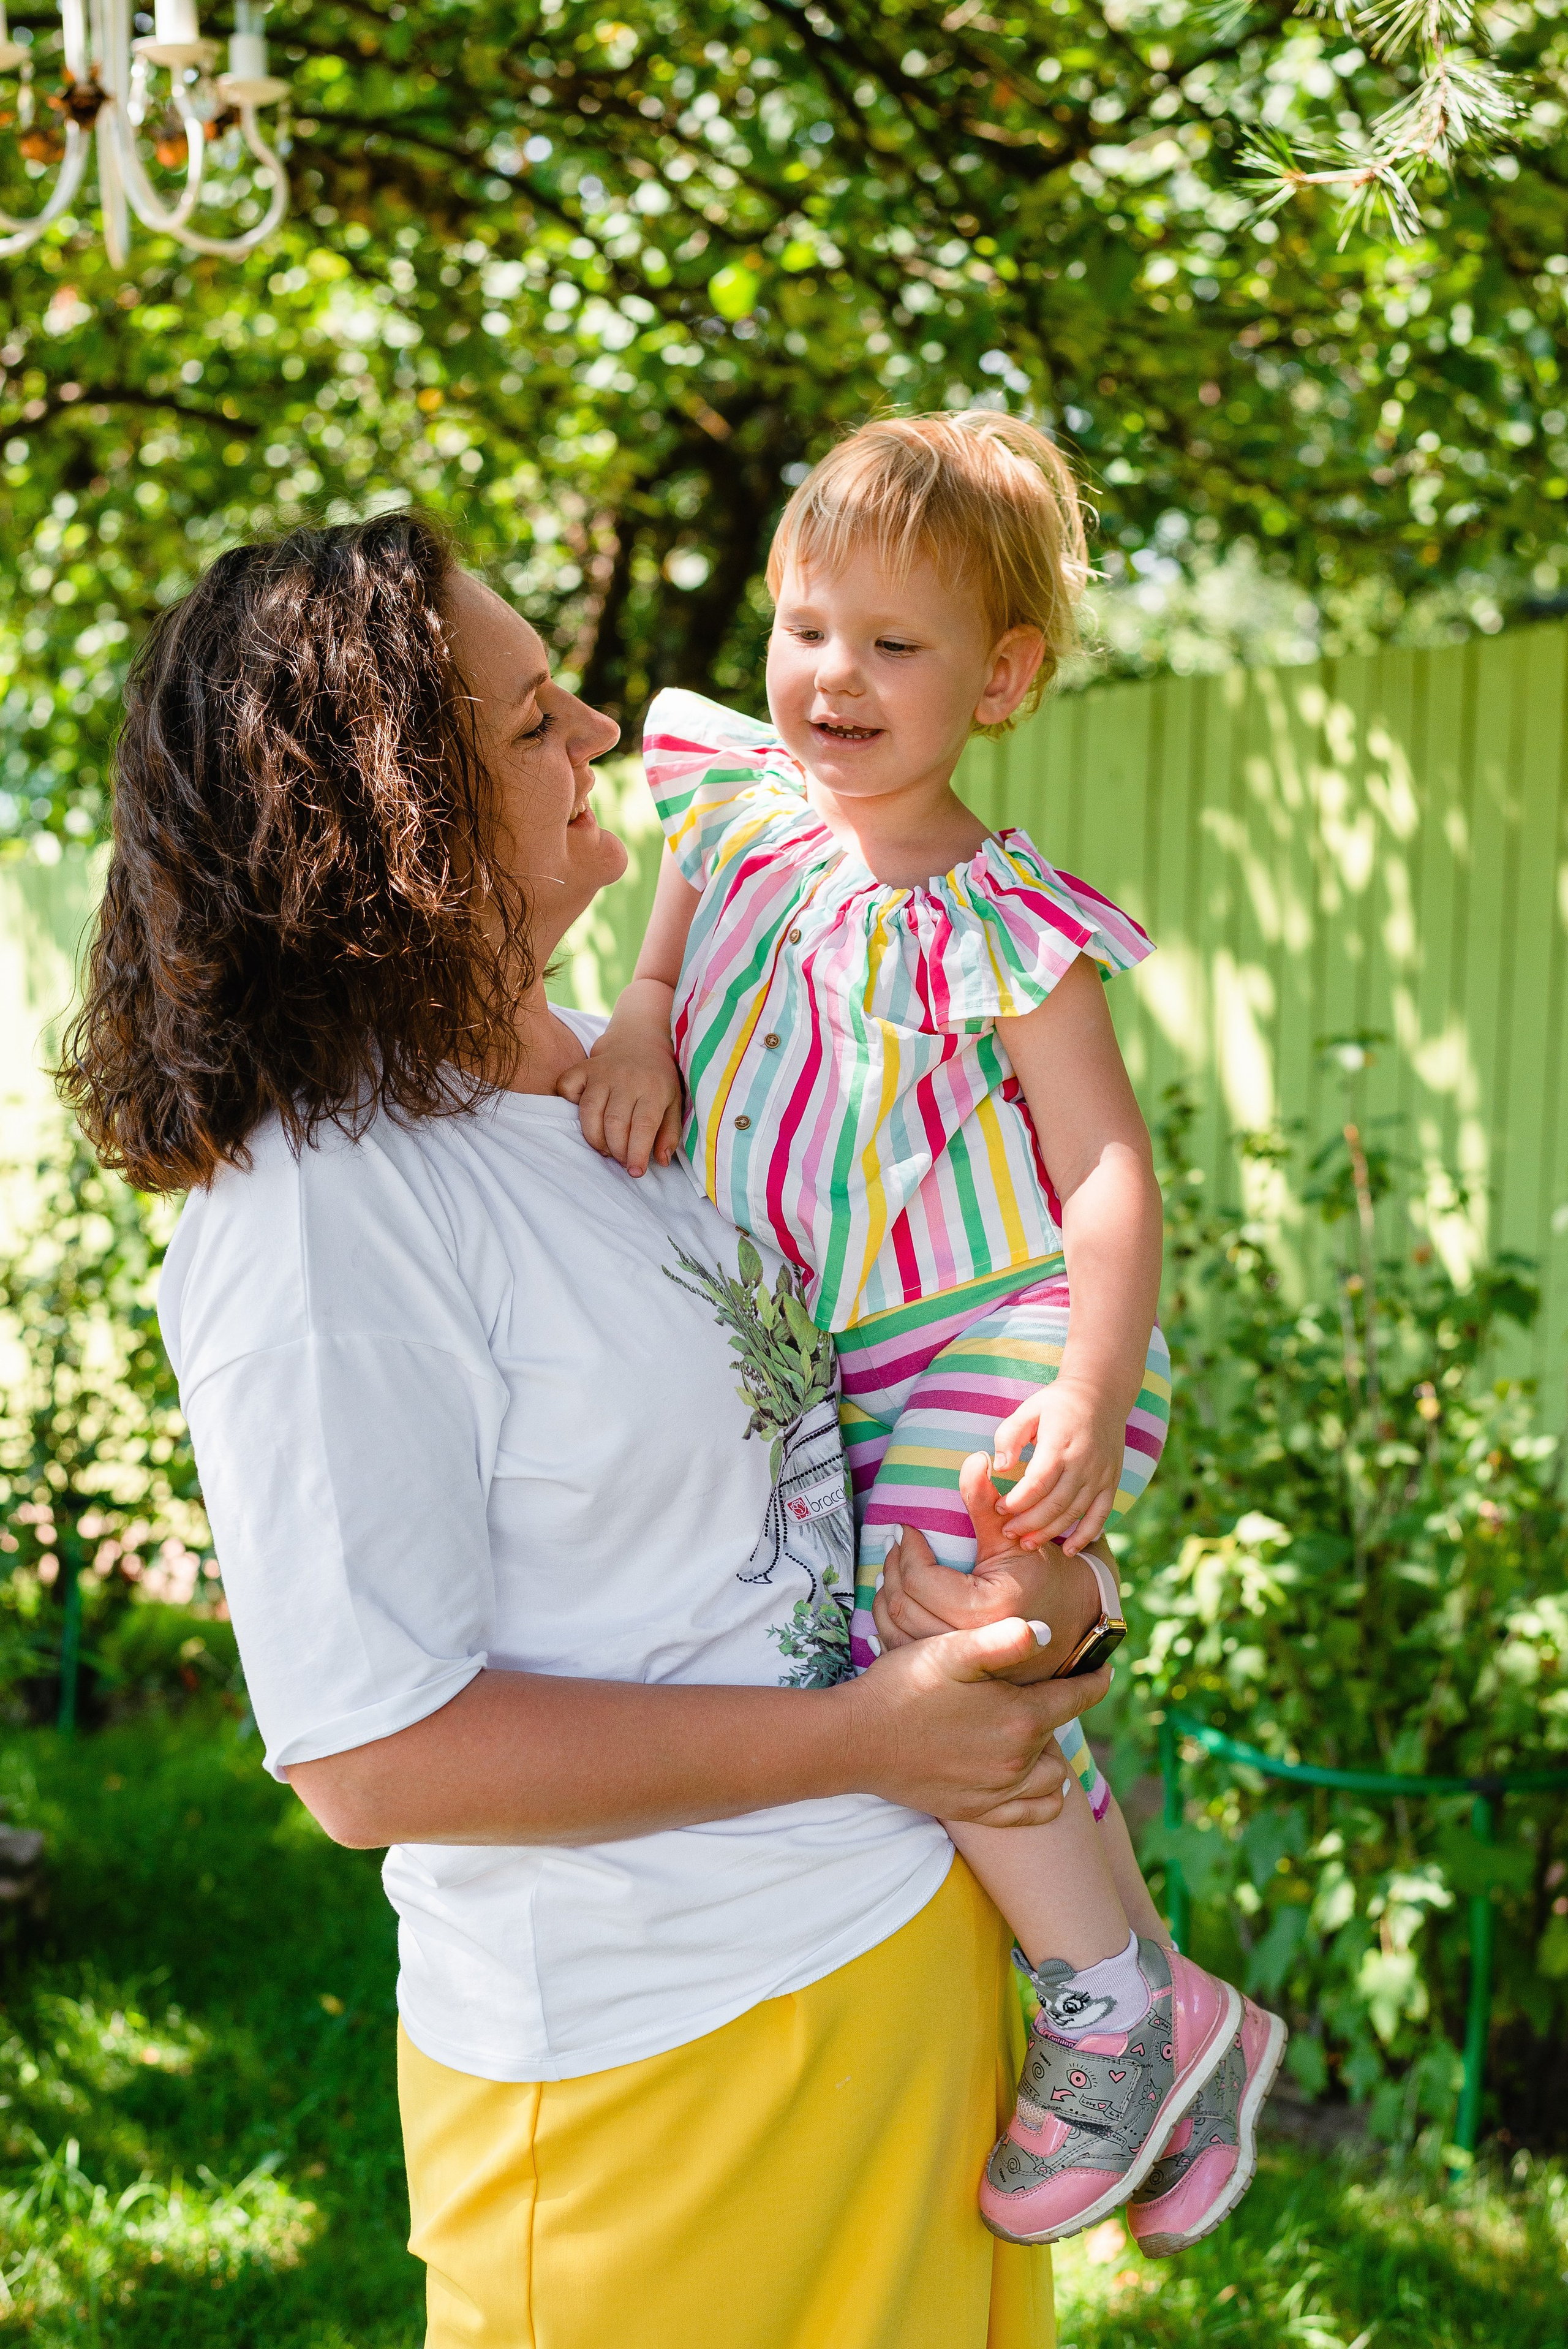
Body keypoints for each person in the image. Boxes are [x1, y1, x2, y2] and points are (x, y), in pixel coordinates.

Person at [60, 511, 1126, 2349]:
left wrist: (1031, 1620)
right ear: (391, 806)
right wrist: (872, 1733)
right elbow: (370, 1756)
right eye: (536, 713)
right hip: (660, 2071)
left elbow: (811, 1483)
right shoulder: (325, 1206)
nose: (605, 736)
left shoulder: (628, 1092)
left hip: (910, 1965)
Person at [560, 411, 1286, 2251]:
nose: (835, 676)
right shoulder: (724, 818)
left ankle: (1111, 2008)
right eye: (812, 625)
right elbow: (652, 983)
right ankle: (1171, 2006)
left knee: (955, 1621)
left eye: (897, 646)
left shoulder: (1003, 921)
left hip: (982, 1320)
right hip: (814, 1341)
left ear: (1003, 675)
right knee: (867, 1641)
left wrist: (1086, 1379)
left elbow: (1107, 1163)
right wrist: (639, 1028)